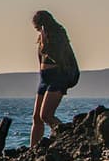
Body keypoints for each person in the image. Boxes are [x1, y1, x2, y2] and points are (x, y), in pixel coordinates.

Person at [31, 10, 79, 147]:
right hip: (44, 78)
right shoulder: (41, 37)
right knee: (37, 118)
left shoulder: (58, 36)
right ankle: (33, 148)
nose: (38, 30)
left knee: (46, 115)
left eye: (38, 27)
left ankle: (68, 135)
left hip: (57, 77)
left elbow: (59, 58)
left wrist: (46, 46)